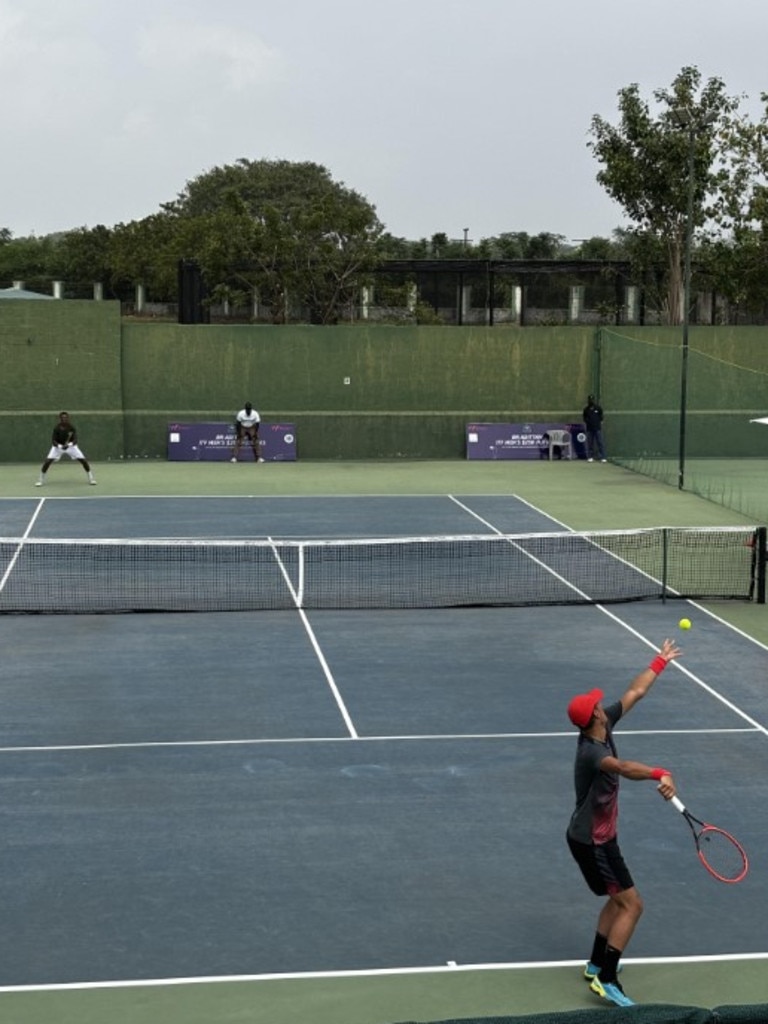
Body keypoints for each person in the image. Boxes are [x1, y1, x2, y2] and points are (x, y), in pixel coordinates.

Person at [566, 638, 681, 1008]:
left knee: (616, 901)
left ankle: (596, 962)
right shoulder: (593, 752)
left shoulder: (602, 725)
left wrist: (659, 662)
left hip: (595, 837)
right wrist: (659, 772)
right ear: (595, 716)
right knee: (632, 905)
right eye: (598, 704)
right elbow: (623, 768)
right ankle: (607, 978)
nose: (603, 703)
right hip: (593, 842)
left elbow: (636, 691)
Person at [36, 411, 96, 486]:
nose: (64, 419)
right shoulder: (56, 428)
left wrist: (69, 445)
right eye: (62, 418)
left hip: (71, 447)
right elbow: (53, 441)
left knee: (83, 461)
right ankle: (40, 480)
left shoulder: (72, 427)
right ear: (60, 419)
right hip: (58, 447)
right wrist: (60, 446)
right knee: (47, 462)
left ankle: (91, 478)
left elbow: (75, 440)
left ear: (68, 418)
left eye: (66, 417)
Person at [583, 394, 606, 462]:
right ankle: (590, 457)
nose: (591, 401)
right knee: (590, 443)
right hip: (589, 429)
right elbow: (584, 417)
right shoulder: (586, 409)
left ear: (594, 400)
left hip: (597, 429)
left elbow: (601, 416)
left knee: (600, 443)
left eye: (592, 399)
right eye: (590, 399)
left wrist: (599, 422)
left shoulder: (598, 408)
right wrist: (588, 422)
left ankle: (603, 457)